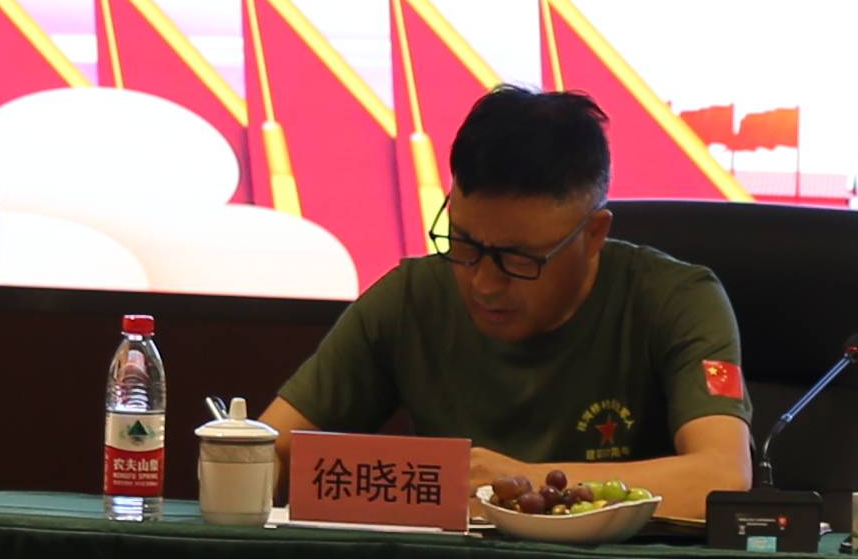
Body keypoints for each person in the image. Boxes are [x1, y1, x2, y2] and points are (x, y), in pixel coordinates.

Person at [268, 86, 754, 515]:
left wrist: (521, 485)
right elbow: (267, 451)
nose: (483, 283)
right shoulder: (411, 299)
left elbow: (721, 477)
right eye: (464, 244)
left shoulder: (676, 300)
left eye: (518, 259)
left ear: (593, 235)